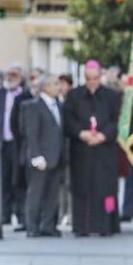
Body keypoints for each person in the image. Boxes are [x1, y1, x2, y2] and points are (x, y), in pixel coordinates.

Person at [63, 60, 122, 236]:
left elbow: (117, 120)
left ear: (100, 77)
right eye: (88, 79)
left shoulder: (112, 96)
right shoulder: (74, 95)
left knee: (108, 190)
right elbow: (68, 119)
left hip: (105, 150)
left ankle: (108, 226)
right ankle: (82, 227)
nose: (92, 82)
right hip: (82, 150)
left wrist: (104, 135)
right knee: (81, 189)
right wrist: (82, 133)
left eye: (95, 78)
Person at [0, 64, 30, 226]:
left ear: (21, 78)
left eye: (14, 74)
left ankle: (21, 214)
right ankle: (4, 214)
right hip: (2, 143)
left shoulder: (25, 96)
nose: (10, 77)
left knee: (18, 180)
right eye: (8, 74)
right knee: (2, 179)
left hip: (18, 144)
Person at [23, 75, 66, 237]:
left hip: (57, 157)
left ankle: (47, 225)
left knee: (52, 194)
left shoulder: (59, 105)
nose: (59, 87)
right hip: (41, 158)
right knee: (36, 193)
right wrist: (36, 156)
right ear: (45, 87)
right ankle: (32, 227)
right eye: (55, 84)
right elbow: (31, 133)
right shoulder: (35, 106)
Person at [57, 74, 73, 228]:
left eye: (63, 84)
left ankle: (70, 213)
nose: (60, 88)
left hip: (70, 148)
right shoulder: (56, 102)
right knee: (60, 184)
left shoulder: (72, 102)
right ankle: (61, 213)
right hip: (58, 150)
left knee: (69, 184)